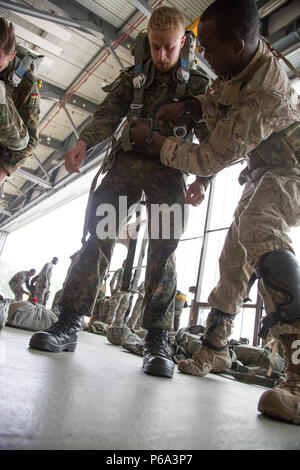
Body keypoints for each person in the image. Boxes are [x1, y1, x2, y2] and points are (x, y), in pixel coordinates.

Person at [129, 0, 300, 424]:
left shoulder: (267, 92)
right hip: (265, 171)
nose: (202, 55)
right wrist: (189, 107)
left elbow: (208, 159)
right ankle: (217, 347)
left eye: (208, 48)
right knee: (233, 255)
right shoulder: (241, 65)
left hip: (293, 172)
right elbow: (218, 98)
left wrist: (158, 145)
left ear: (237, 44)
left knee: (260, 225)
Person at [29, 6, 211, 379]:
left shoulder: (197, 88)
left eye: (169, 48)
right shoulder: (134, 77)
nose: (162, 56)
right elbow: (107, 115)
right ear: (148, 41)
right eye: (156, 47)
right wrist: (82, 144)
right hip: (126, 165)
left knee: (164, 250)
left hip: (169, 171)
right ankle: (68, 322)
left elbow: (212, 138)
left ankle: (157, 341)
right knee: (99, 237)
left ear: (182, 43)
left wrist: (203, 180)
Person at [0, 17, 41, 185]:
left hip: (6, 140)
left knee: (22, 142)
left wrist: (2, 173)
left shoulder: (25, 84)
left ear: (11, 57)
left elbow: (30, 142)